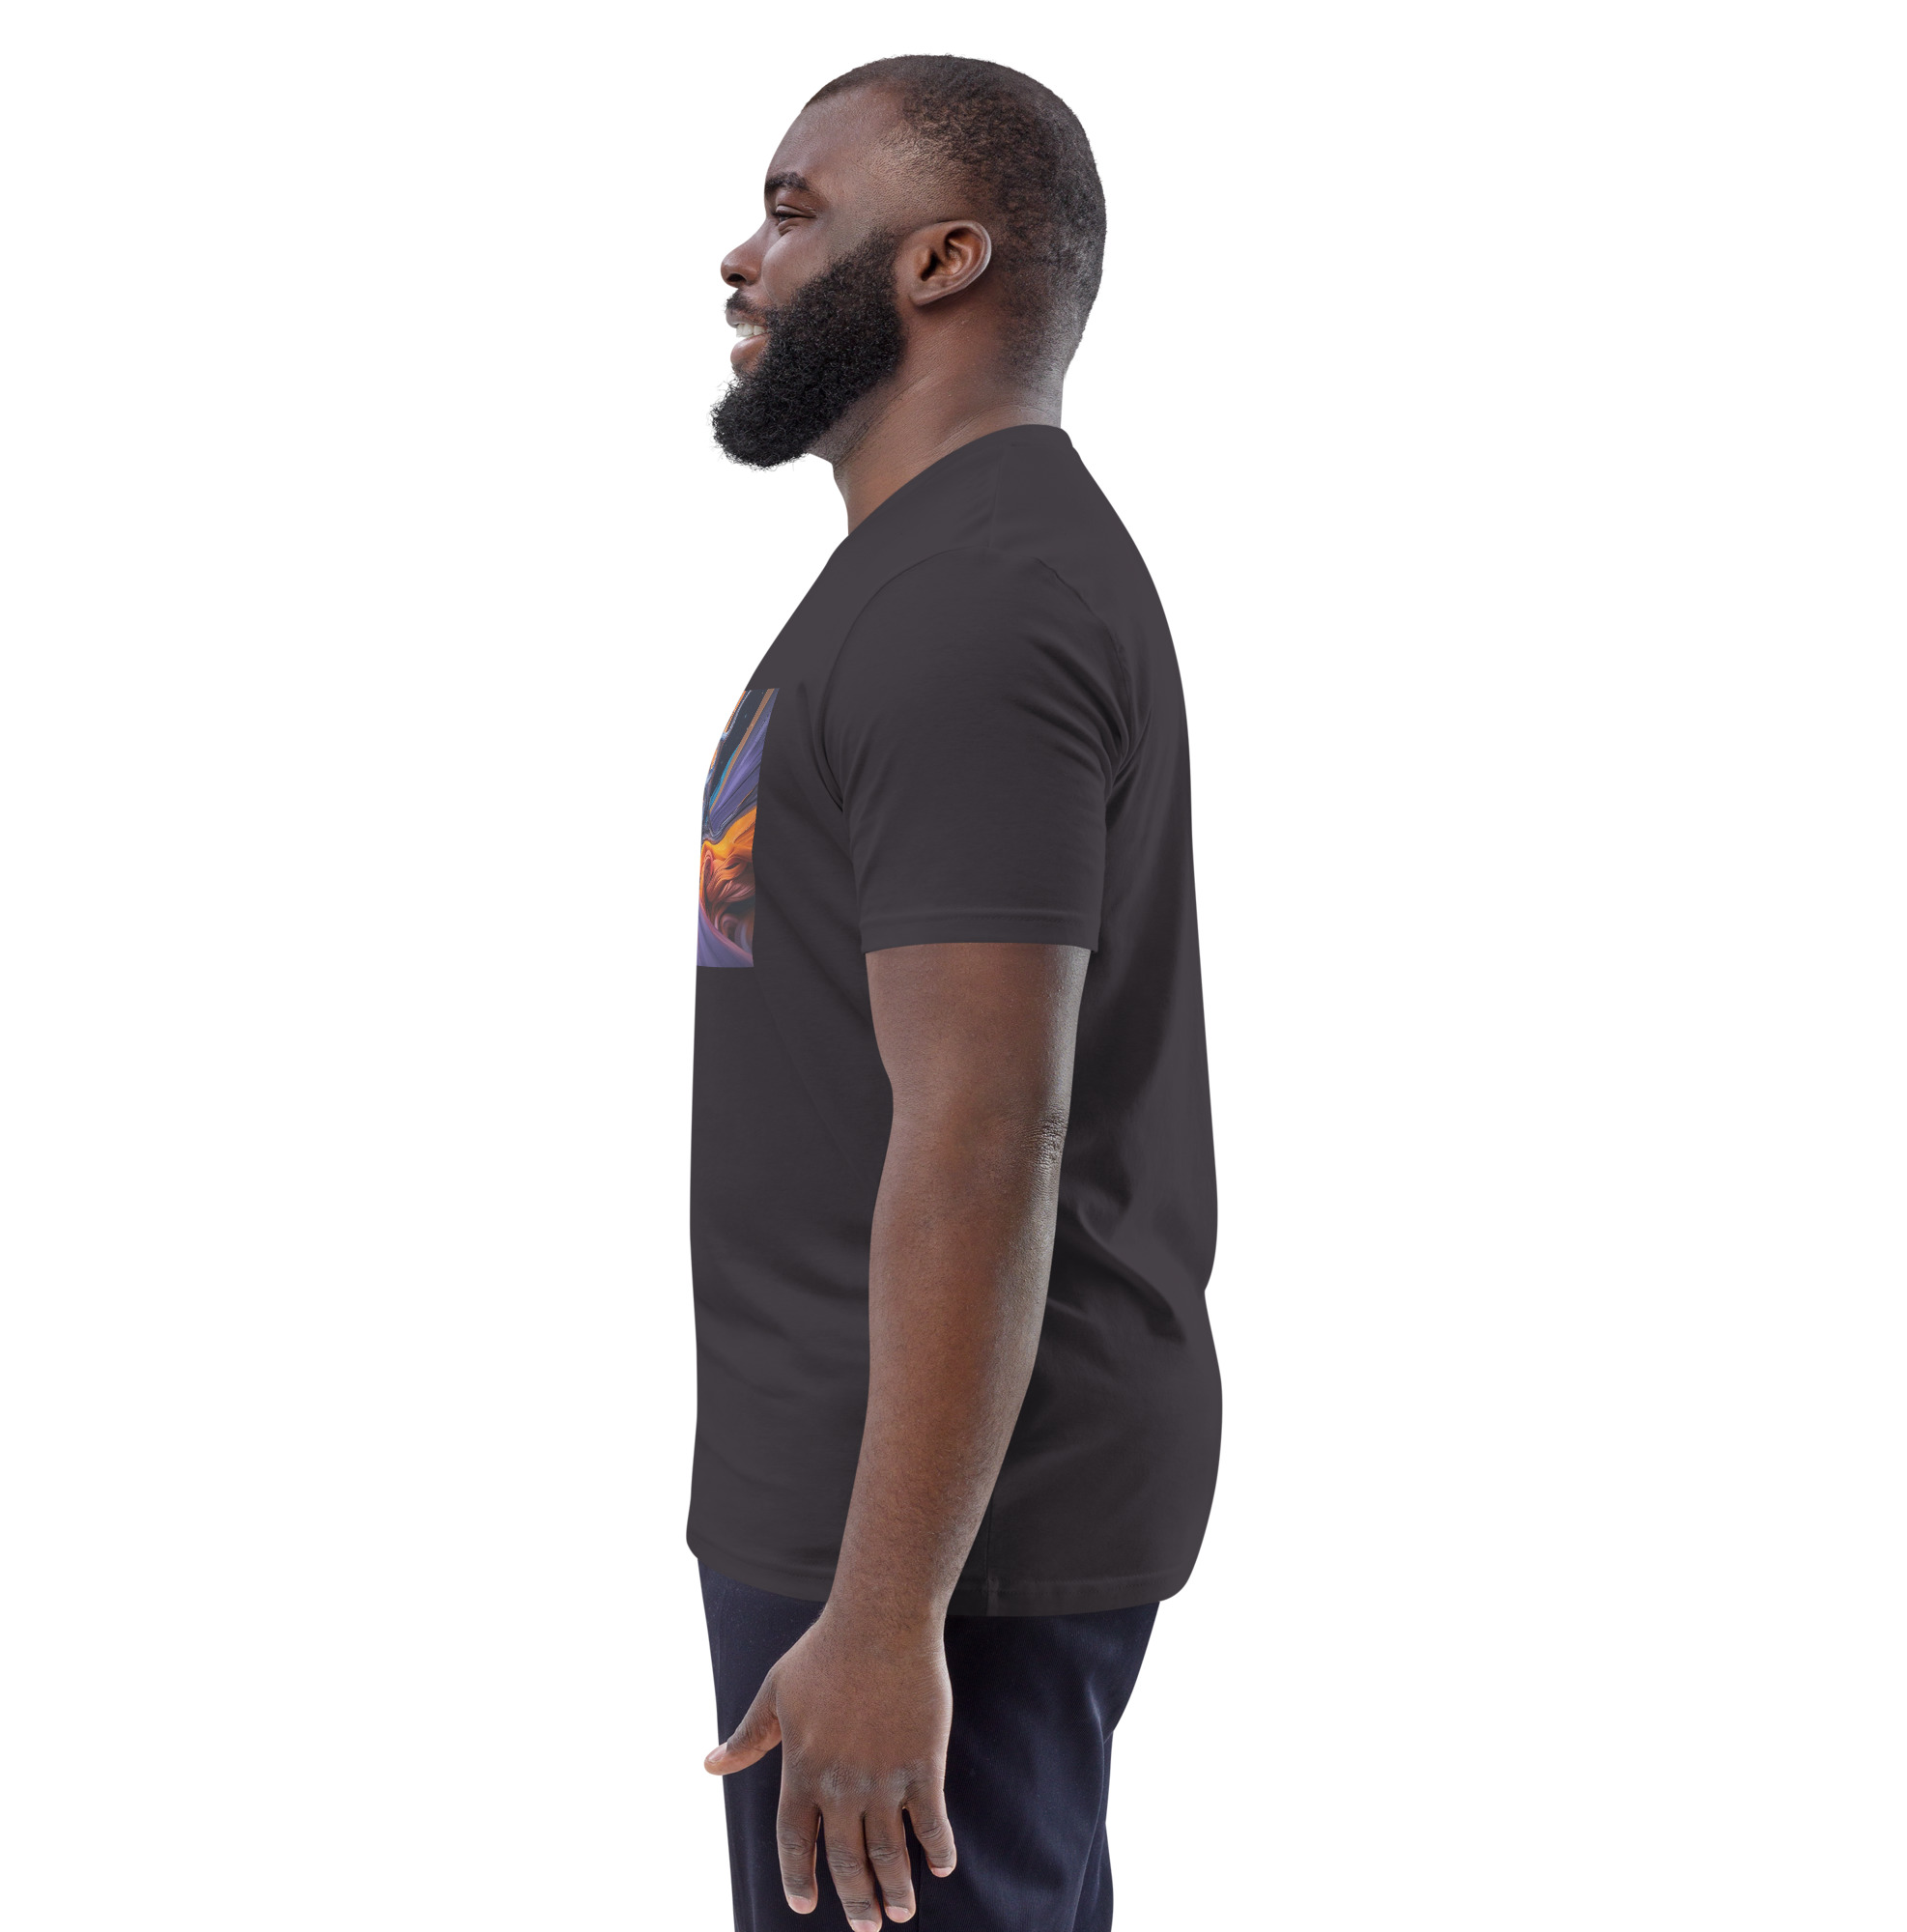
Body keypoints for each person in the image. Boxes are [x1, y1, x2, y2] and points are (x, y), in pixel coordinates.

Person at [691, 55, 1220, 1931]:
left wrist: (885, 1612)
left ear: (944, 260)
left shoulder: (970, 603)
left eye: (793, 210)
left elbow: (990, 1124)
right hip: (870, 1515)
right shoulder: (926, 576)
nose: (742, 260)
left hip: (930, 1550)